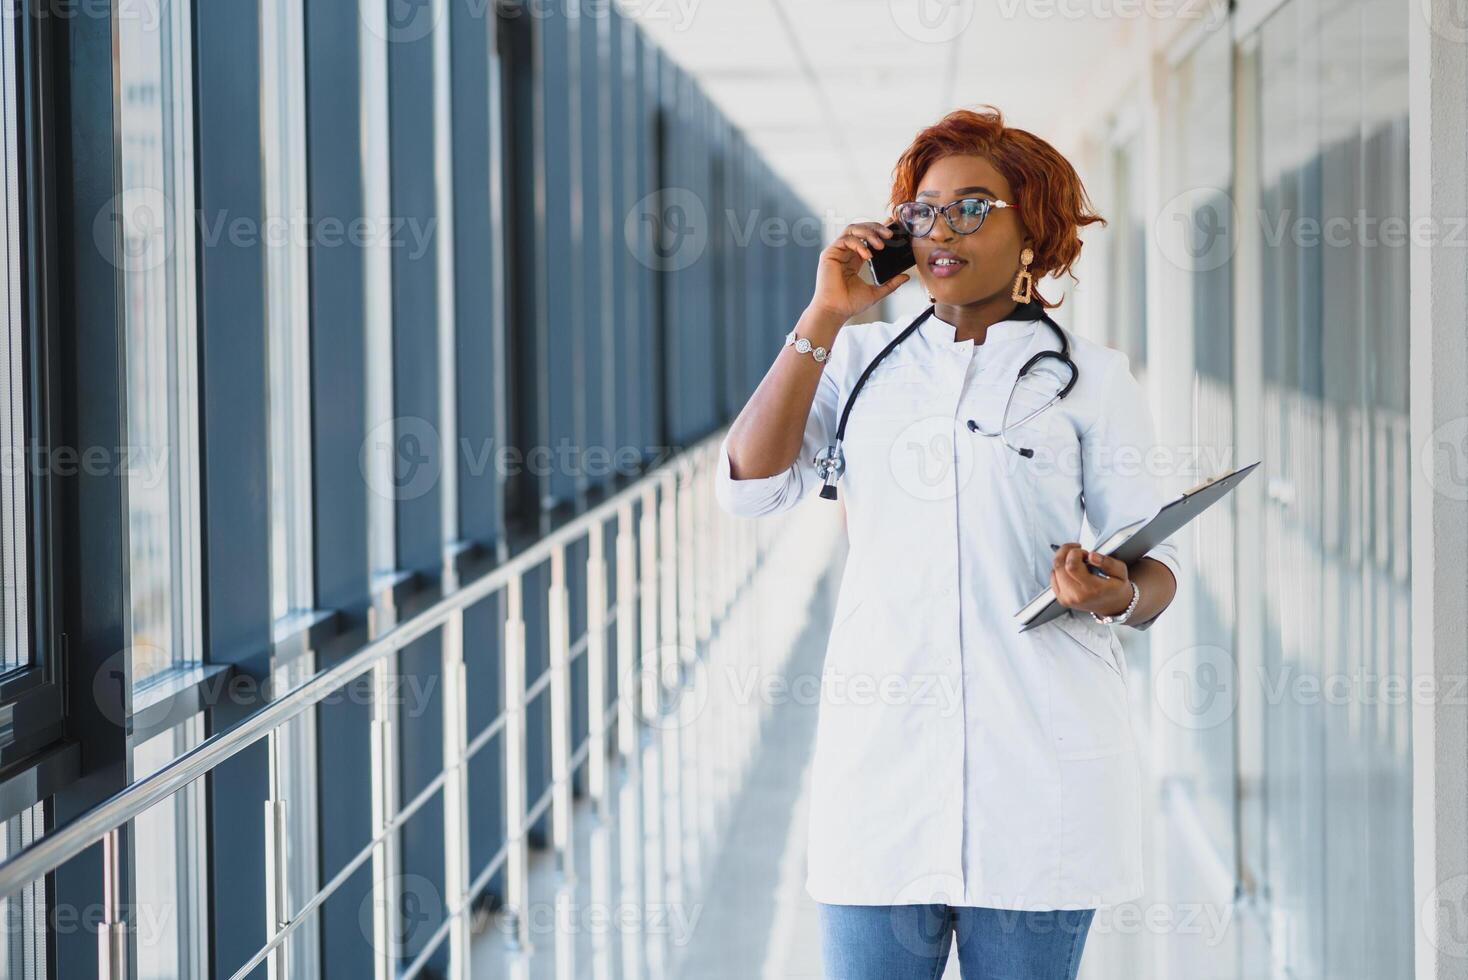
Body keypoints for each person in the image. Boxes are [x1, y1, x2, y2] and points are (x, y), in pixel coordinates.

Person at [713, 106, 1182, 980]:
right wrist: (823, 313)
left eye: (973, 207)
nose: (941, 229)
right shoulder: (854, 364)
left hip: (1038, 780)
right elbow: (750, 486)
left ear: (1032, 230)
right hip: (880, 775)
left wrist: (1110, 591)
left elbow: (1157, 571)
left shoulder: (1094, 378)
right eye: (924, 209)